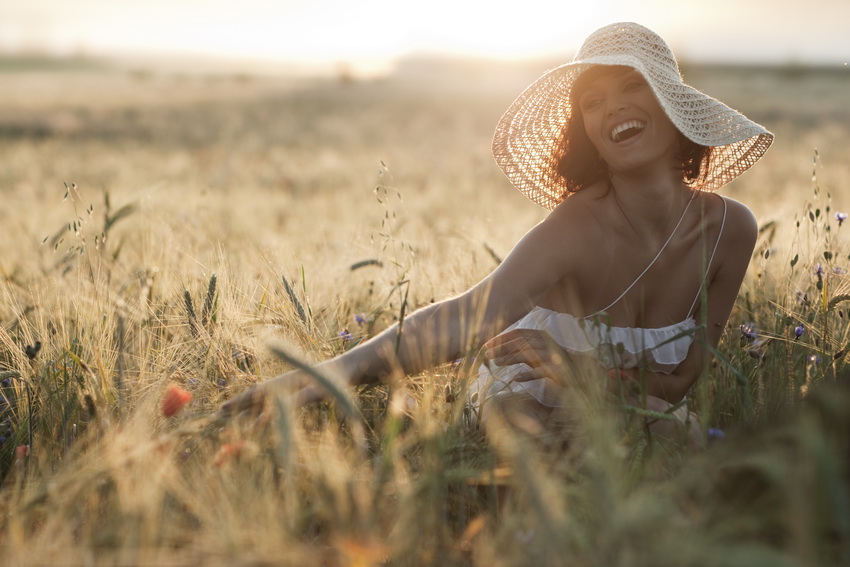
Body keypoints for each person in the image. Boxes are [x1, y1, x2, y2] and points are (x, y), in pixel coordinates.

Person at [222, 22, 773, 447]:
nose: (613, 108)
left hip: (634, 408)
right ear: (588, 134)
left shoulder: (730, 231)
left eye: (632, 85)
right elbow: (467, 315)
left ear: (674, 105)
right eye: (592, 101)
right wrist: (334, 372)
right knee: (529, 439)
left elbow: (677, 385)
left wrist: (580, 369)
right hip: (531, 395)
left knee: (683, 447)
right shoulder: (576, 225)